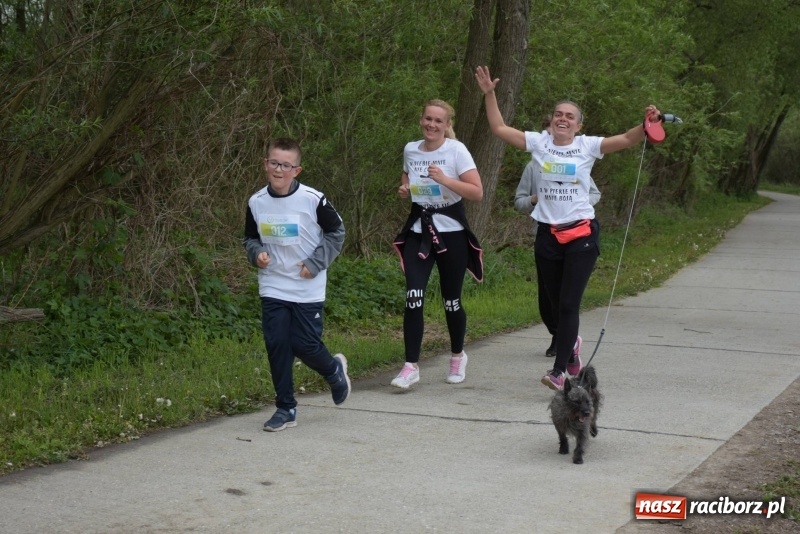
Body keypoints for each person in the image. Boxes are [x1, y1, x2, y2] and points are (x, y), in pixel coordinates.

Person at [476, 65, 661, 390]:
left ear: (579, 124)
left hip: (581, 235)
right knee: (553, 299)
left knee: (567, 304)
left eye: (570, 116)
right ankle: (571, 346)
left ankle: (560, 372)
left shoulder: (588, 146)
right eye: (558, 114)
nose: (563, 119)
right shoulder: (539, 143)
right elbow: (499, 127)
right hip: (547, 235)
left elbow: (630, 138)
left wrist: (647, 121)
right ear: (550, 121)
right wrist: (490, 93)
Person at [243, 137, 351, 431]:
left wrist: (315, 263)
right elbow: (250, 238)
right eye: (274, 163)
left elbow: (337, 233)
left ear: (297, 170)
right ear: (266, 164)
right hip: (273, 284)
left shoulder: (313, 200)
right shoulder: (256, 202)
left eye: (286, 165)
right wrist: (257, 254)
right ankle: (286, 408)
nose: (279, 169)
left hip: (307, 285)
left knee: (304, 344)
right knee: (277, 344)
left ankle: (333, 370)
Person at [391, 99, 484, 389]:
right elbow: (407, 178)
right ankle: (410, 366)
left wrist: (444, 179)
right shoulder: (410, 149)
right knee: (413, 296)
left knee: (451, 301)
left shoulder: (456, 151)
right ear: (422, 120)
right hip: (419, 230)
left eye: (438, 121)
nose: (432, 125)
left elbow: (476, 192)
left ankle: (457, 355)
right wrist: (405, 188)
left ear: (447, 125)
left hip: (451, 233)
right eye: (428, 119)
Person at [514, 117, 602, 358]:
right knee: (548, 299)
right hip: (545, 236)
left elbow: (593, 193)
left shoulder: (577, 160)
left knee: (568, 300)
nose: (550, 134)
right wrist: (535, 199)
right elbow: (519, 201)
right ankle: (559, 335)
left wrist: (575, 203)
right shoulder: (533, 167)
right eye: (546, 130)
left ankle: (564, 346)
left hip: (576, 234)